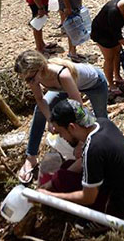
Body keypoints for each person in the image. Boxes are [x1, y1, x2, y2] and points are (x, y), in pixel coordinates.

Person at [14, 50, 109, 183]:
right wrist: (50, 120)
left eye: (30, 79)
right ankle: (31, 156)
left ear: (40, 68)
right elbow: (40, 100)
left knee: (101, 121)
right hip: (64, 88)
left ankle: (101, 152)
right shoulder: (35, 77)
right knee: (39, 110)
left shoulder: (62, 74)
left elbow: (79, 110)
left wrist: (81, 143)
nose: (29, 83)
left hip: (95, 84)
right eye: (26, 80)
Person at [39, 99, 124, 219]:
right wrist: (56, 180)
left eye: (61, 132)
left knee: (64, 183)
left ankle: (96, 224)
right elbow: (82, 162)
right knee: (65, 172)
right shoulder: (102, 123)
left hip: (117, 205)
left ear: (71, 127)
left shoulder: (93, 149)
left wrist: (50, 197)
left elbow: (87, 198)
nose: (61, 136)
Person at [90, 0, 124, 95]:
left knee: (117, 53)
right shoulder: (113, 11)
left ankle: (117, 77)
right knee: (109, 58)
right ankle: (111, 85)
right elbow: (117, 34)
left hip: (113, 33)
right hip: (102, 33)